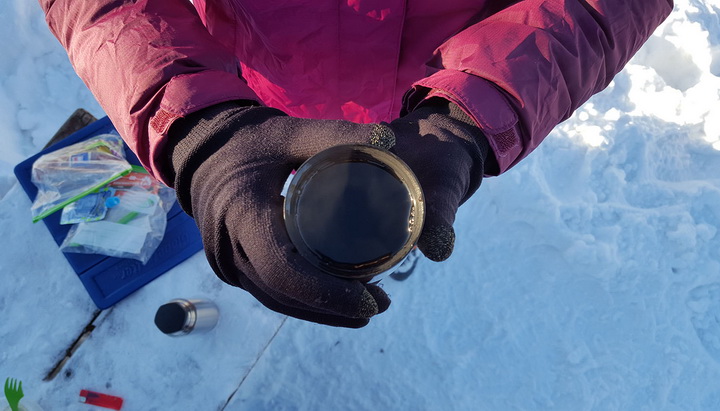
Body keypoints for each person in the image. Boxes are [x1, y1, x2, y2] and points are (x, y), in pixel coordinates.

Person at [38, 0, 674, 328]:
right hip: (263, 84)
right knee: (304, 208)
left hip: (450, 78)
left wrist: (482, 105)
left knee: (397, 208)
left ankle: (383, 242)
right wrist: (198, 128)